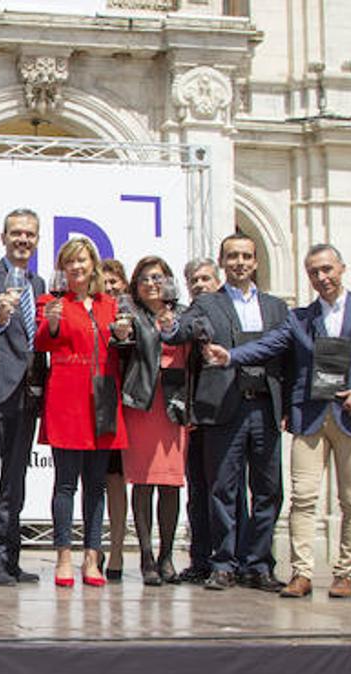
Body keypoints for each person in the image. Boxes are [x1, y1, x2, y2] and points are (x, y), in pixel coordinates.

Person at [204, 244, 351, 598]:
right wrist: (231, 356)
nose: (322, 277)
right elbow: (269, 345)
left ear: (342, 268)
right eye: (314, 272)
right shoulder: (299, 319)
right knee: (303, 497)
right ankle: (302, 573)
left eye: (327, 269)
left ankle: (345, 573)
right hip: (309, 417)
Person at [162, 233, 290, 592]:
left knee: (268, 490)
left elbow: (288, 357)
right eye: (232, 256)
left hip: (264, 407)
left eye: (246, 256)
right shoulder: (208, 303)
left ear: (256, 261)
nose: (239, 263)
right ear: (223, 262)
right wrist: (170, 326)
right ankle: (223, 563)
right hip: (223, 408)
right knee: (222, 490)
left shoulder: (276, 308)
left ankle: (259, 564)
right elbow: (182, 331)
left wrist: (287, 407)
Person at [33, 238, 131, 587]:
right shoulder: (52, 302)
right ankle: (63, 555)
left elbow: (123, 348)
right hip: (66, 397)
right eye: (70, 262)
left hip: (102, 397)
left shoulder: (110, 304)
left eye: (82, 261)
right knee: (65, 484)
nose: (76, 267)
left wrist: (124, 335)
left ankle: (92, 556)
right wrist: (52, 323)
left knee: (96, 485)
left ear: (93, 265)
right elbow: (41, 343)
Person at [0, 208, 48, 585]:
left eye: (29, 234)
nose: (23, 240)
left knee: (16, 480)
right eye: (16, 233)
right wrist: (1, 315)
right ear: (3, 238)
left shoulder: (39, 282)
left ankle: (9, 555)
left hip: (29, 392)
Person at [118, 256, 189, 585]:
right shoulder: (130, 314)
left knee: (171, 483)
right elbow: (119, 343)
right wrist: (122, 334)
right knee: (143, 482)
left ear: (169, 281)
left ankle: (167, 556)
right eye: (144, 278)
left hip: (175, 406)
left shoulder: (183, 314)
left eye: (157, 278)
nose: (151, 284)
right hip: (142, 405)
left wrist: (175, 326)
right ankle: (146, 556)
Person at [176, 256, 221, 583]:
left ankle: (228, 559)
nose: (200, 285)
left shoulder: (226, 315)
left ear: (217, 281)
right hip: (195, 416)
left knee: (226, 491)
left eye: (206, 278)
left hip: (225, 413)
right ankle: (200, 559)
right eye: (194, 280)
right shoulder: (185, 318)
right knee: (198, 491)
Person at [99, 258, 131, 581]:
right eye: (104, 283)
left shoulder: (131, 313)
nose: (109, 288)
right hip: (102, 399)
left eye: (114, 282)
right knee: (102, 478)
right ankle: (97, 547)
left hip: (131, 401)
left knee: (119, 480)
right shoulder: (95, 310)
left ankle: (118, 549)